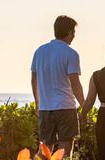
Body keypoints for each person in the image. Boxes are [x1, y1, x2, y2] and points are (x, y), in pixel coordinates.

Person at [31, 15, 84, 158]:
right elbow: (75, 84)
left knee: (44, 151)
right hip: (65, 107)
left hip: (45, 108)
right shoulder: (71, 54)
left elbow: (34, 79)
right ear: (69, 32)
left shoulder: (39, 51)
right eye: (73, 32)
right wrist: (84, 105)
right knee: (65, 152)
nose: (74, 36)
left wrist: (38, 103)